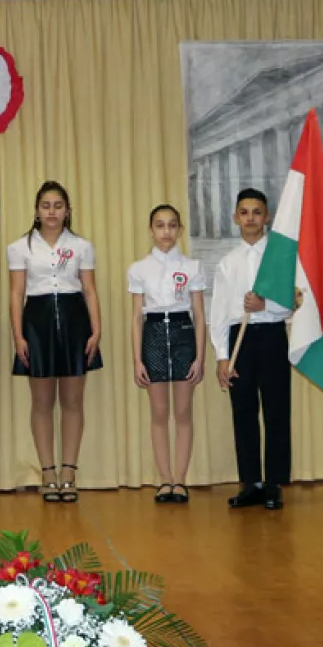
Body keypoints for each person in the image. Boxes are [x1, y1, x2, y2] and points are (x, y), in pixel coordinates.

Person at [6, 181, 101, 503]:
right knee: (42, 402)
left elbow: (90, 290)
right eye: (46, 205)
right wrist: (18, 335)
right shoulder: (20, 248)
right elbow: (16, 294)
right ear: (36, 211)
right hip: (37, 323)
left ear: (67, 211)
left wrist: (96, 330)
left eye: (58, 206)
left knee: (73, 401)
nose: (51, 211)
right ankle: (47, 471)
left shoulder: (81, 246)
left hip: (75, 321)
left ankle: (69, 472)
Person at [210, 189, 292, 511]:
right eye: (244, 212)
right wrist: (222, 356)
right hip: (239, 340)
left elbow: (293, 300)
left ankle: (274, 483)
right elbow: (219, 312)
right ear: (235, 218)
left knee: (276, 410)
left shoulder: (279, 258)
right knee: (243, 411)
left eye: (257, 212)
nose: (250, 218)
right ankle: (251, 482)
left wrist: (265, 305)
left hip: (271, 335)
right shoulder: (227, 263)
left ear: (266, 217)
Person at [127, 204, 207, 504]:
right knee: (159, 411)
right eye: (160, 225)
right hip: (153, 334)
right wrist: (137, 359)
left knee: (183, 412)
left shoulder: (192, 267)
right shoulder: (138, 268)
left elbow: (199, 314)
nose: (166, 231)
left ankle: (180, 480)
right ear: (151, 230)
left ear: (180, 230)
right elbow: (136, 318)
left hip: (183, 332)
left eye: (172, 225)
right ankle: (164, 479)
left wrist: (200, 356)